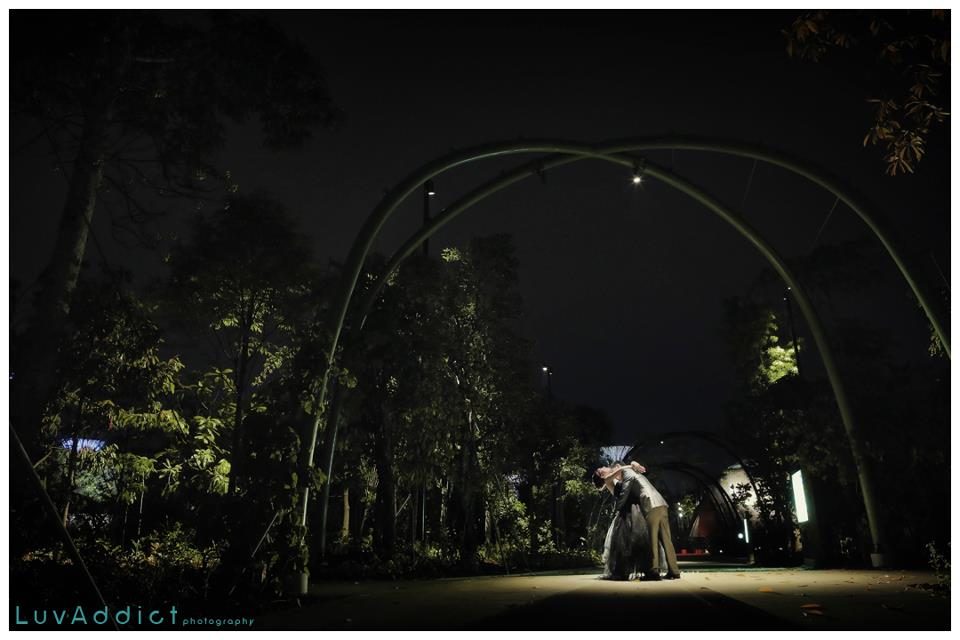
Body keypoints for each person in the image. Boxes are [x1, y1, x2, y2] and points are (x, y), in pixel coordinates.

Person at [621, 460, 681, 580]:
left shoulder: (626, 472)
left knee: (652, 538)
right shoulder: (638, 474)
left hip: (650, 504)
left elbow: (624, 492)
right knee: (666, 539)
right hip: (662, 503)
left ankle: (654, 571)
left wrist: (618, 508)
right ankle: (674, 571)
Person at [594, 465, 651, 580]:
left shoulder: (615, 478)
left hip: (635, 508)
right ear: (602, 475)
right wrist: (631, 465)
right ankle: (624, 571)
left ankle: (643, 570)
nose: (605, 467)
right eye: (602, 468)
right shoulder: (608, 480)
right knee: (625, 543)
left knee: (639, 540)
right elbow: (621, 469)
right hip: (626, 512)